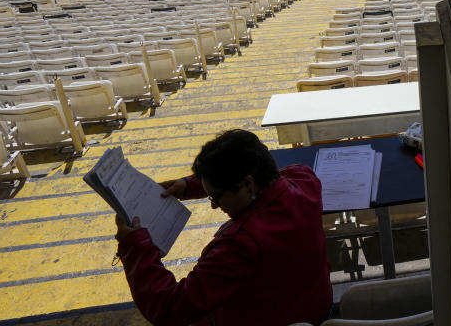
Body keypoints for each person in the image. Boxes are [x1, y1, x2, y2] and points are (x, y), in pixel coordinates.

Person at [114, 129, 333, 326]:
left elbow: (169, 307)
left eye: (216, 196)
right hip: (316, 311)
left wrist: (135, 248)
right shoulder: (305, 181)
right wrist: (190, 186)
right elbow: (267, 170)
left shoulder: (240, 245)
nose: (213, 204)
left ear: (248, 185)